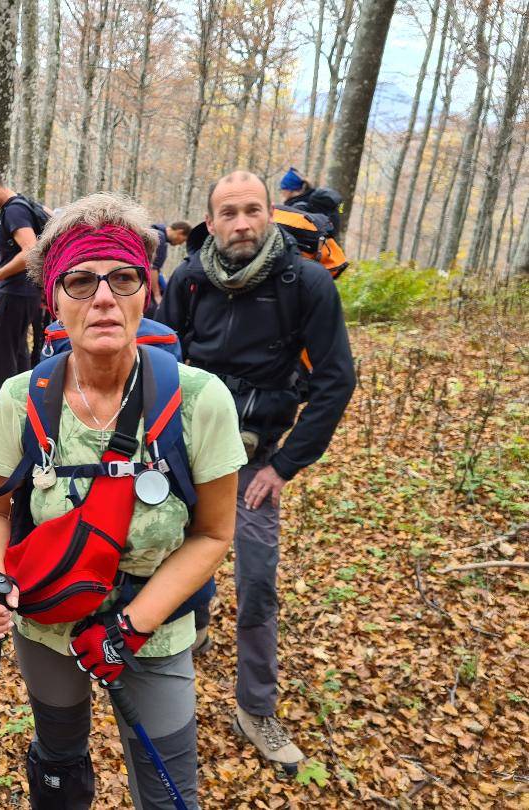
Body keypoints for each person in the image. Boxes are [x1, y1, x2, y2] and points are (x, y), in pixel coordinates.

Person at [0, 193, 247, 807]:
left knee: (170, 790)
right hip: (46, 622)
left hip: (157, 628)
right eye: (80, 280)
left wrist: (129, 628)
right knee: (59, 766)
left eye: (122, 278)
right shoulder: (22, 398)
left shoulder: (200, 400)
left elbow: (213, 534)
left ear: (146, 290)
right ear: (53, 300)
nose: (102, 297)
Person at [156, 172, 356, 775]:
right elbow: (164, 356)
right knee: (173, 554)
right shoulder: (190, 280)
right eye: (228, 213)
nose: (241, 223)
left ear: (269, 214)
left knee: (259, 581)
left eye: (251, 210)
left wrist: (287, 465)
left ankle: (255, 707)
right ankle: (191, 628)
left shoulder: (306, 282)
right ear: (209, 223)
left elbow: (335, 379)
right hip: (187, 450)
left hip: (255, 456)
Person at [0, 164, 49, 388]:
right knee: (17, 349)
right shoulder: (25, 204)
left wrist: (0, 273)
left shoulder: (14, 210)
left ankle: (8, 410)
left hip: (16, 291)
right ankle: (23, 404)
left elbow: (31, 250)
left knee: (1, 354)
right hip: (25, 292)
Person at [279, 167, 342, 235]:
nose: (281, 192)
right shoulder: (310, 200)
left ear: (289, 190)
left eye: (282, 188)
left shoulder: (298, 208)